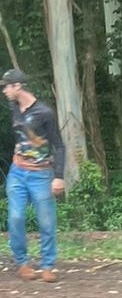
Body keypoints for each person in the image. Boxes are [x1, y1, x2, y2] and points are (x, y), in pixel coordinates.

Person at [2, 69, 66, 283]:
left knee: (46, 221)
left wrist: (58, 176)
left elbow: (58, 146)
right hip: (17, 173)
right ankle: (22, 263)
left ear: (17, 86)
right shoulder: (14, 108)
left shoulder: (45, 113)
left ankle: (48, 265)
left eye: (6, 86)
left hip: (41, 175)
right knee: (16, 217)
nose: (4, 91)